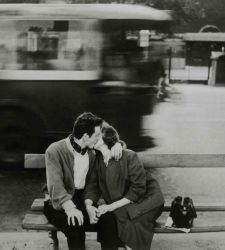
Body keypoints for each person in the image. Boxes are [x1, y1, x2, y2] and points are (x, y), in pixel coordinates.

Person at [43, 112, 123, 250]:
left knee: (108, 219)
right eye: (97, 136)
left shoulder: (92, 152)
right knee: (75, 224)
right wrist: (70, 208)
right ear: (86, 136)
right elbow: (56, 186)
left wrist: (89, 206)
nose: (100, 139)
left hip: (82, 200)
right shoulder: (55, 150)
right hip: (58, 204)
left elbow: (92, 185)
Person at [84, 126, 165, 250]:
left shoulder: (129, 156)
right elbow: (92, 187)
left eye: (94, 135)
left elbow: (138, 189)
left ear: (102, 140)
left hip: (146, 200)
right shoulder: (98, 159)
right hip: (122, 203)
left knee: (128, 222)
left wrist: (110, 206)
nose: (88, 137)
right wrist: (89, 205)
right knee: (107, 218)